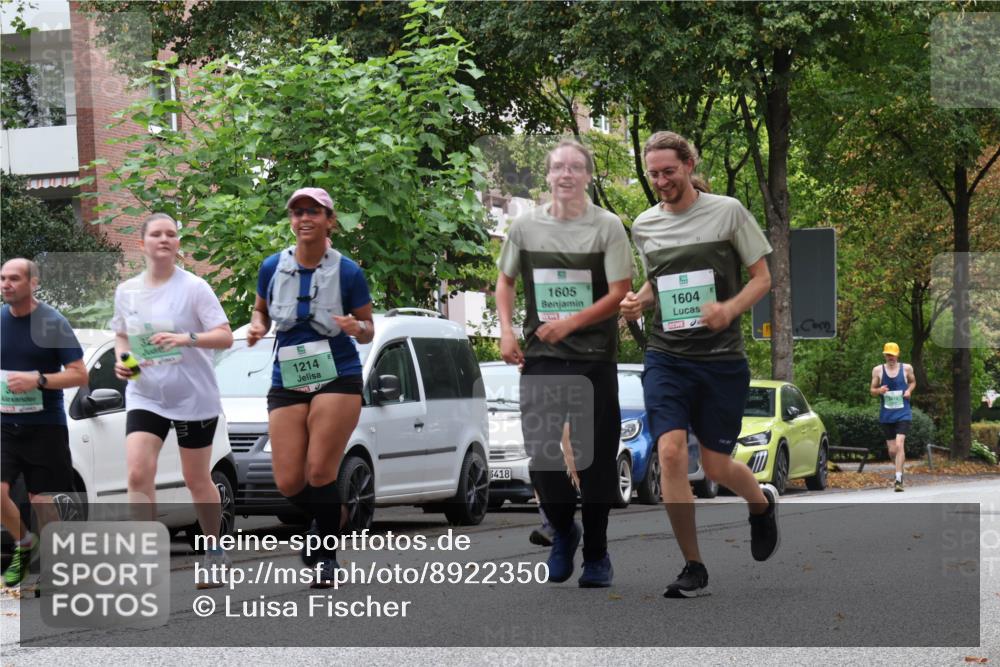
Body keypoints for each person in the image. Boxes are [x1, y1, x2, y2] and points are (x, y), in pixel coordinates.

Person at [620, 130, 779, 598]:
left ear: (689, 165)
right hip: (666, 354)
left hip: (721, 359)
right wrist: (637, 303)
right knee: (668, 450)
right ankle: (693, 564)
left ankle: (760, 504)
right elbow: (659, 284)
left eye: (669, 171)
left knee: (714, 466)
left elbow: (762, 278)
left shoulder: (728, 212)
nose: (662, 181)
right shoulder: (645, 225)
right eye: (653, 174)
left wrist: (729, 310)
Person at [496, 139, 632, 588]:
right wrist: (507, 330)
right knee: (542, 457)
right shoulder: (526, 227)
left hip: (594, 359)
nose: (567, 175)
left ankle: (596, 553)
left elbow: (618, 293)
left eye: (576, 167)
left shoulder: (608, 226)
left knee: (594, 466)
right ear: (548, 176)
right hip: (542, 357)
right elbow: (506, 280)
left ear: (588, 176)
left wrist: (571, 323)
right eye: (558, 168)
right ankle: (563, 529)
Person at [246, 187, 374, 588]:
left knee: (320, 470)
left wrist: (359, 327)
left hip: (337, 373)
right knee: (288, 480)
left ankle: (325, 555)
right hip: (288, 376)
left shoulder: (349, 272)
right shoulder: (271, 267)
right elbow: (261, 310)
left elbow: (369, 330)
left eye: (313, 212)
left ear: (329, 220)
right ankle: (331, 514)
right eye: (298, 212)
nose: (304, 218)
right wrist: (256, 326)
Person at [111, 213, 234, 589]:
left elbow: (225, 336)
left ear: (178, 243)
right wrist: (123, 362)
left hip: (193, 396)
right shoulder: (127, 291)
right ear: (142, 242)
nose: (165, 239)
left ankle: (214, 550)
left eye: (172, 234)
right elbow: (121, 337)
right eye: (157, 234)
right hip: (146, 393)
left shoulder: (195, 288)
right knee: (136, 472)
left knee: (196, 479)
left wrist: (186, 339)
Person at [1, 258, 88, 587]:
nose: (6, 284)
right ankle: (24, 542)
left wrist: (37, 380)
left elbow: (80, 374)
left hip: (45, 427)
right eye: (2, 278)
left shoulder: (53, 323)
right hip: (5, 425)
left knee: (41, 500)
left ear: (33, 282)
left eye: (14, 279)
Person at [869, 342, 915, 492]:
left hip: (903, 412)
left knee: (900, 444)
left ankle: (898, 479)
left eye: (893, 354)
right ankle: (899, 467)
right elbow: (872, 390)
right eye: (888, 354)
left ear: (898, 355)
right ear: (885, 355)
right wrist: (879, 390)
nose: (891, 357)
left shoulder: (907, 368)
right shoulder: (878, 370)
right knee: (892, 450)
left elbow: (913, 382)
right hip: (887, 414)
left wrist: (909, 391)